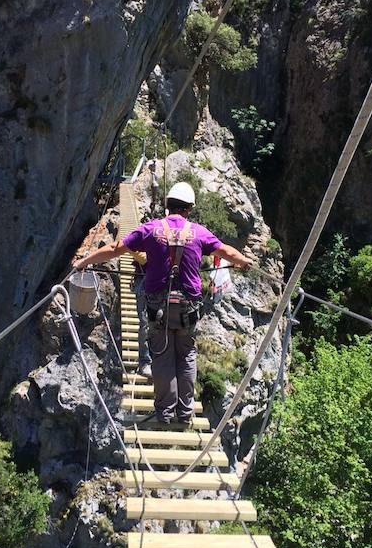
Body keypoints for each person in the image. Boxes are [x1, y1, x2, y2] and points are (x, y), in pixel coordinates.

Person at [73, 182, 253, 428]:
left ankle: (165, 413)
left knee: (162, 355)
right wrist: (243, 261)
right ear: (189, 209)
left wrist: (85, 261)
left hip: (158, 304)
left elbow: (116, 248)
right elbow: (225, 250)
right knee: (187, 354)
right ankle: (185, 412)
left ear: (167, 206)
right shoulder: (199, 232)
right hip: (189, 305)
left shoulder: (150, 229)